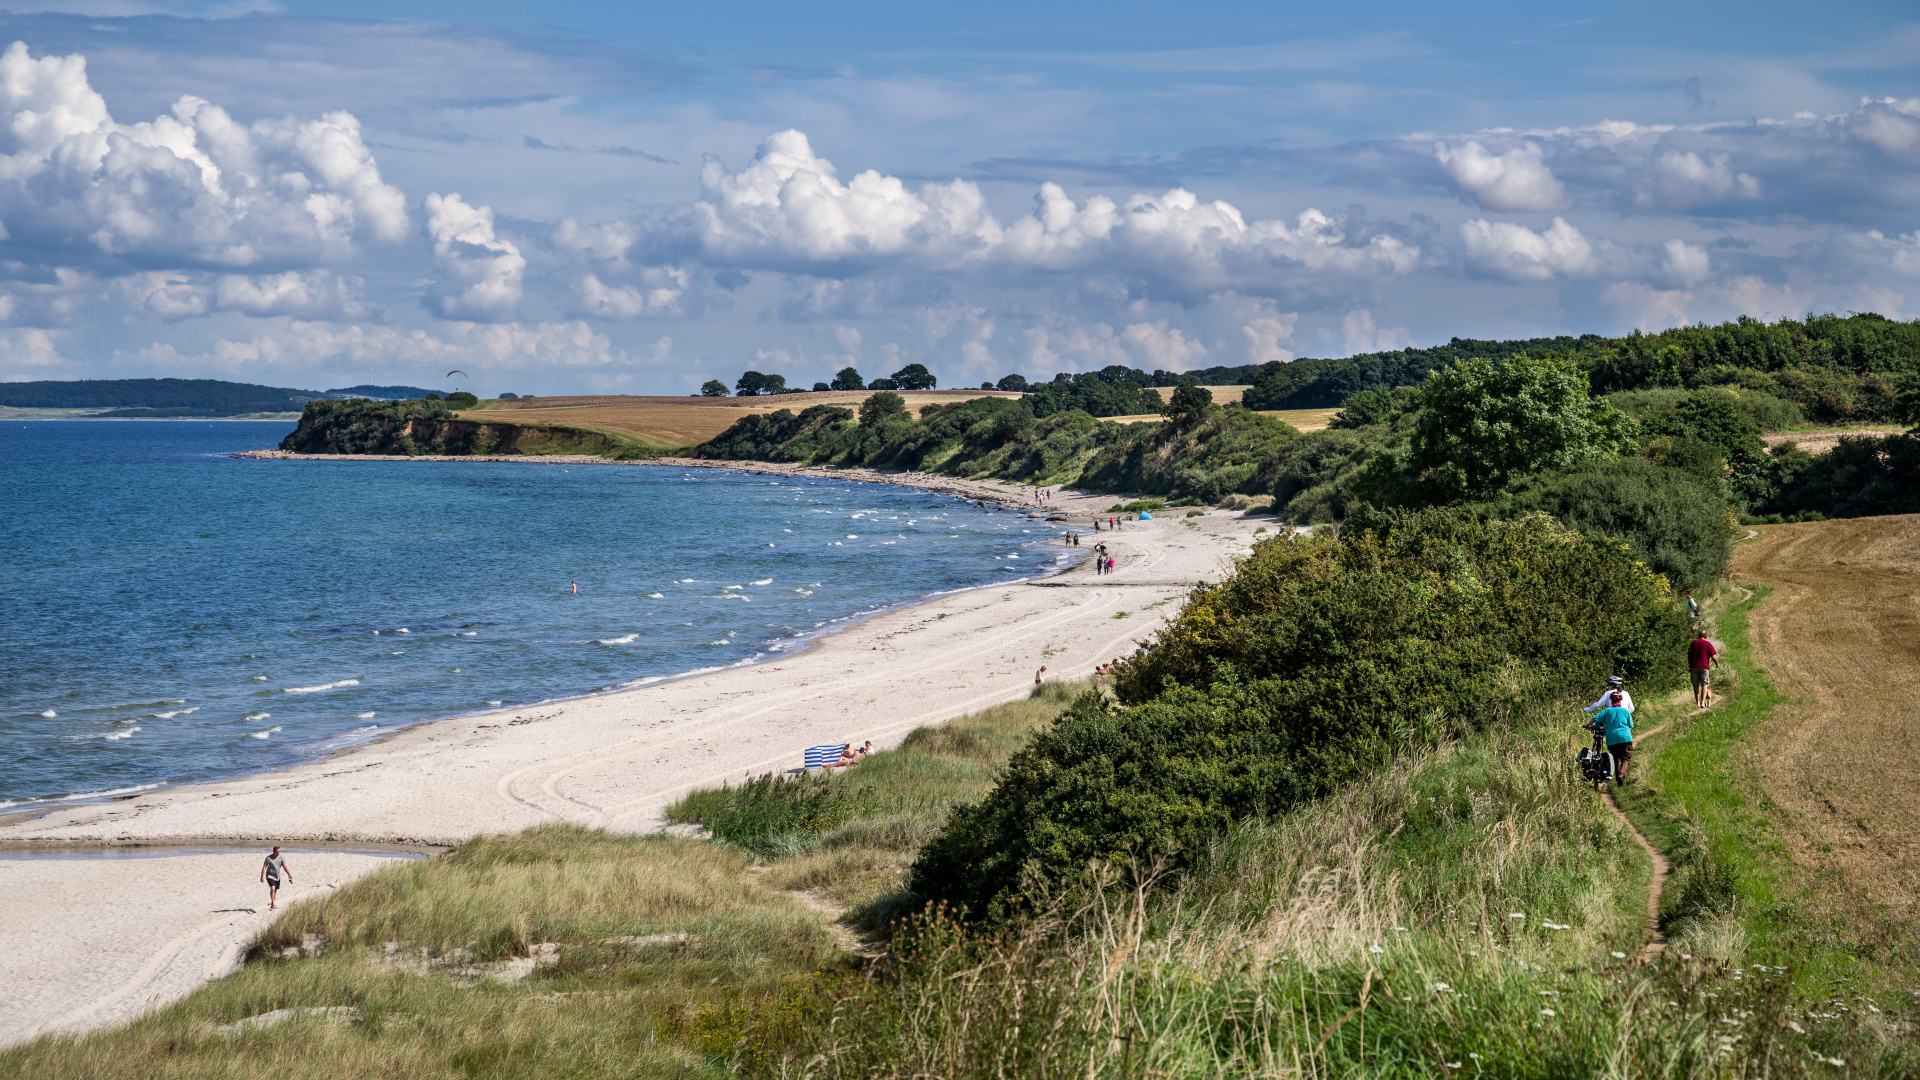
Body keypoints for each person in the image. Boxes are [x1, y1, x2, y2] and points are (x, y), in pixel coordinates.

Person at [1593, 690, 1635, 782]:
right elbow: (1630, 725)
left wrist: (1587, 725)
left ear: (1611, 701)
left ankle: (1617, 779)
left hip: (1611, 739)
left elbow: (1595, 718)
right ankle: (1621, 775)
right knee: (1626, 759)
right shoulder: (1625, 711)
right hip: (1625, 738)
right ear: (1620, 701)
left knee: (1616, 759)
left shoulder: (1607, 711)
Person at [1689, 632, 1720, 708]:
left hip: (1694, 666)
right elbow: (1713, 656)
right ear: (1706, 636)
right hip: (1704, 667)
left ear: (1699, 636)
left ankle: (1697, 703)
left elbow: (1689, 654)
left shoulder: (1693, 642)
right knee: (1704, 685)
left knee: (1695, 684)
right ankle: (1703, 703)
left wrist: (1690, 665)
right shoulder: (1707, 644)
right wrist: (1717, 663)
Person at [260, 846, 293, 910]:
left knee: (275, 890)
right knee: (272, 888)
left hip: (277, 876)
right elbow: (264, 867)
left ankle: (273, 903)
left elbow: (285, 866)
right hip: (269, 876)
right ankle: (272, 904)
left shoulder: (281, 858)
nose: (278, 853)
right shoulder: (268, 858)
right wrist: (262, 877)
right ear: (273, 851)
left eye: (279, 851)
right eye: (277, 852)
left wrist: (289, 874)